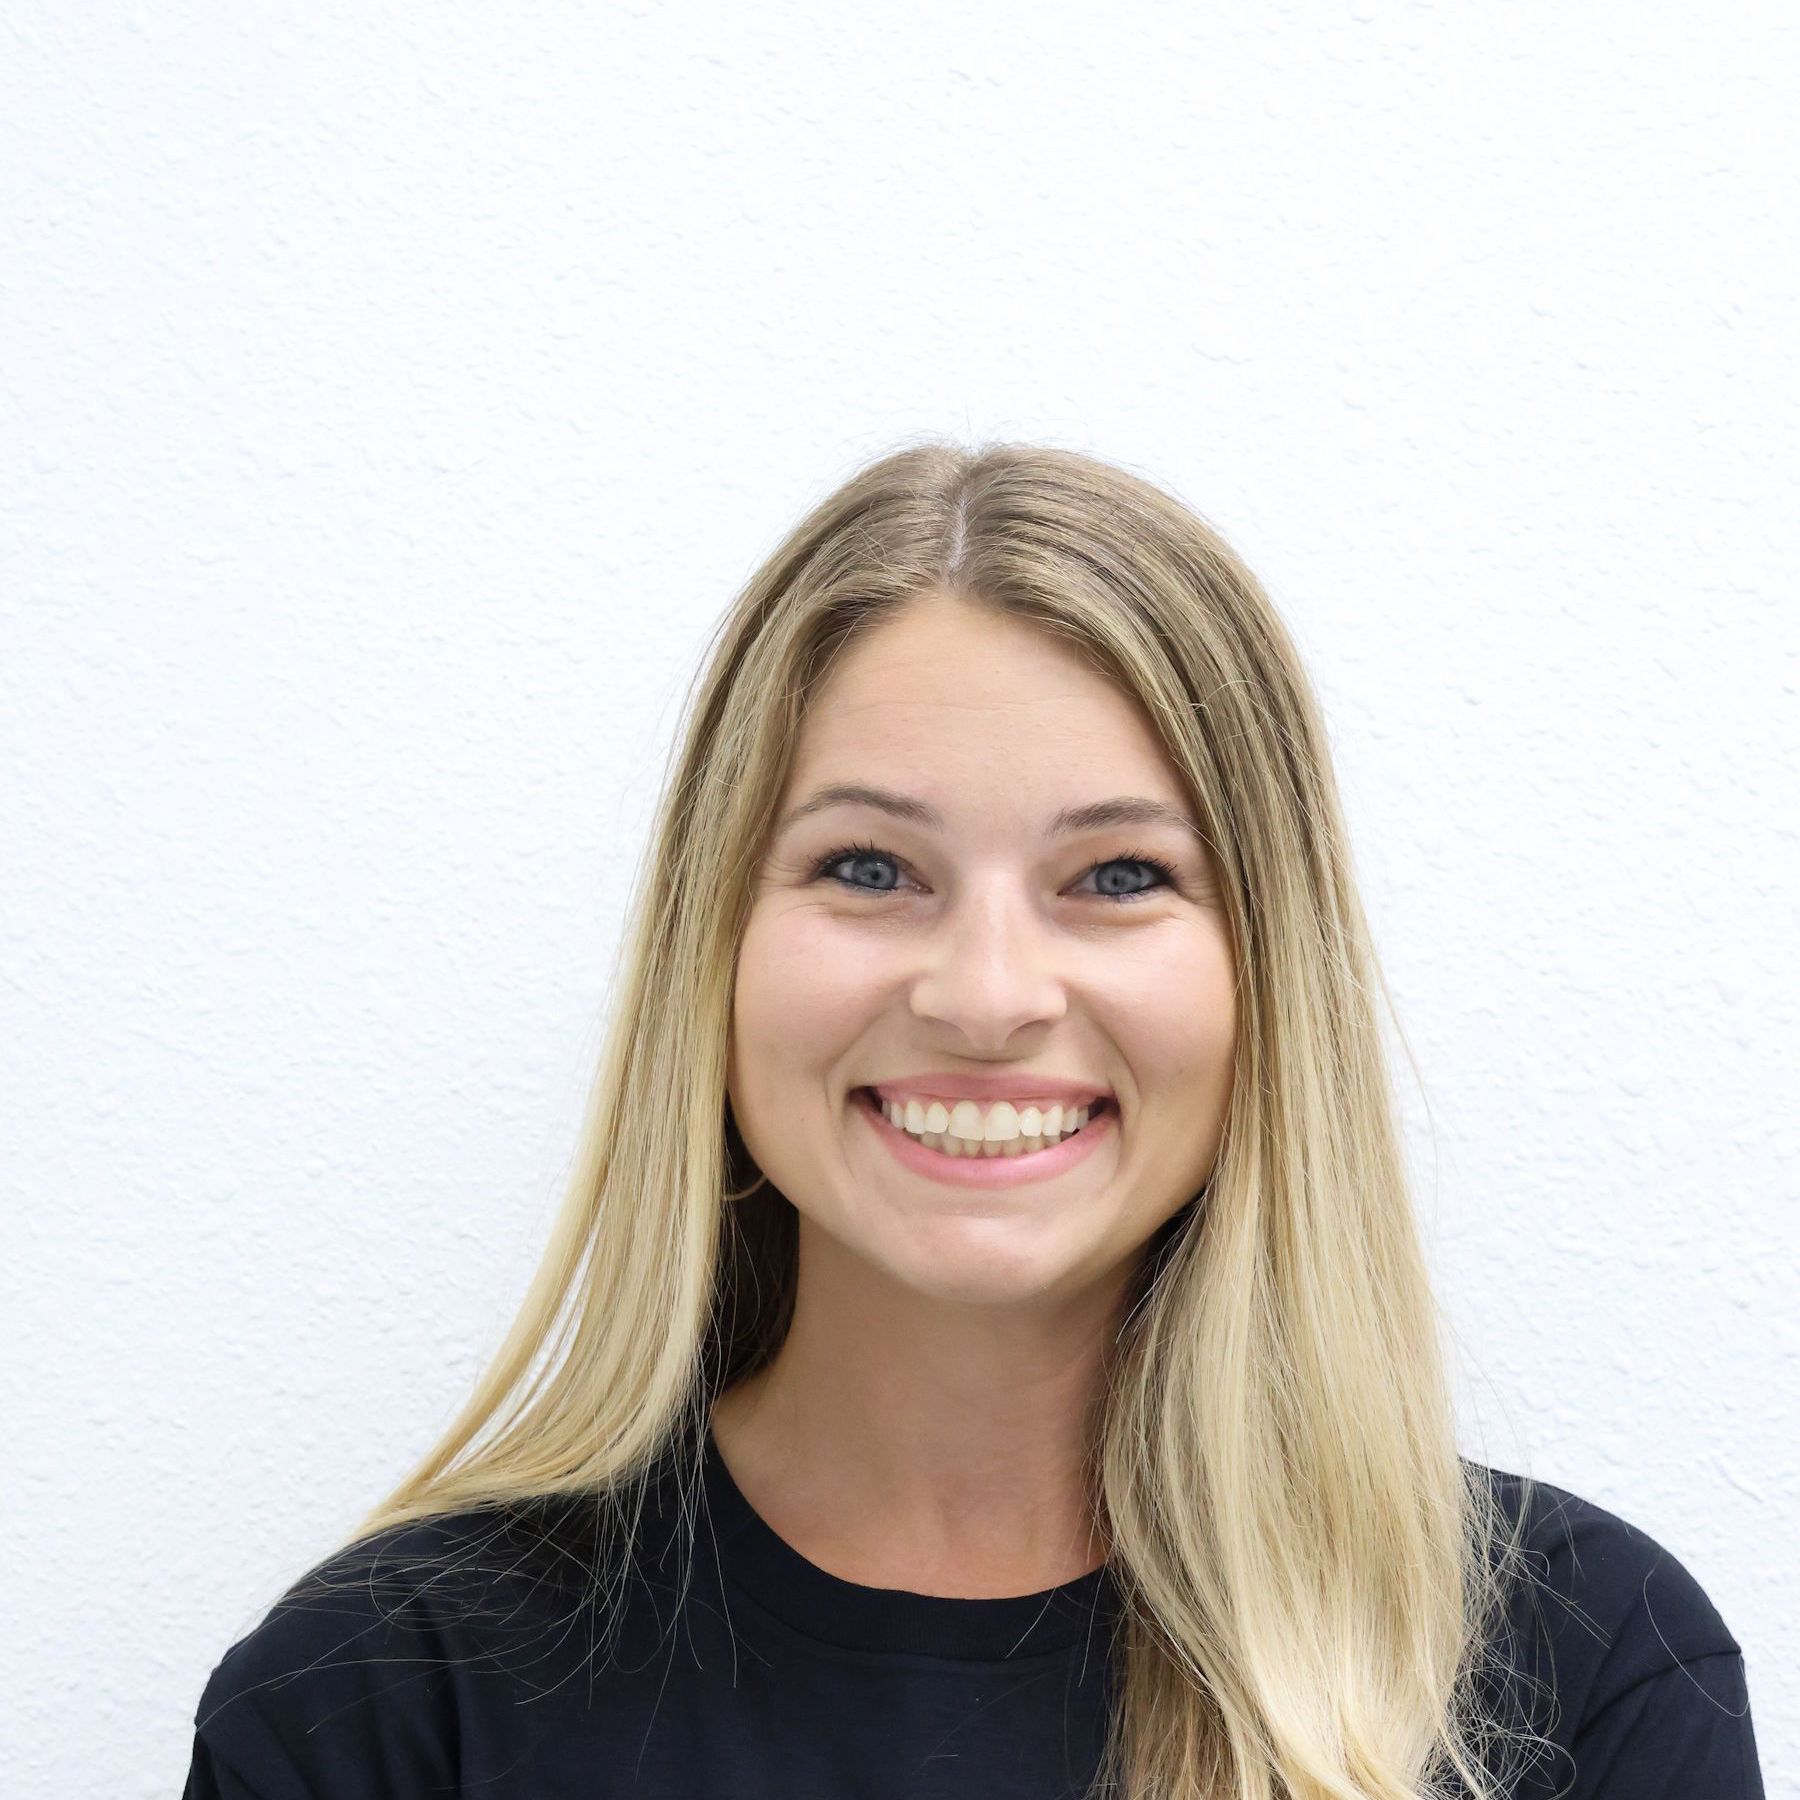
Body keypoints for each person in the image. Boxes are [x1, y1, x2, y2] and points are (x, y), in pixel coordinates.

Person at [182, 442, 1765, 1798]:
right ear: (711, 948)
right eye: (869, 869)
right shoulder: (380, 1706)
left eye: (1119, 877)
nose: (989, 994)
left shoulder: (1584, 1677)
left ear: (1268, 975)